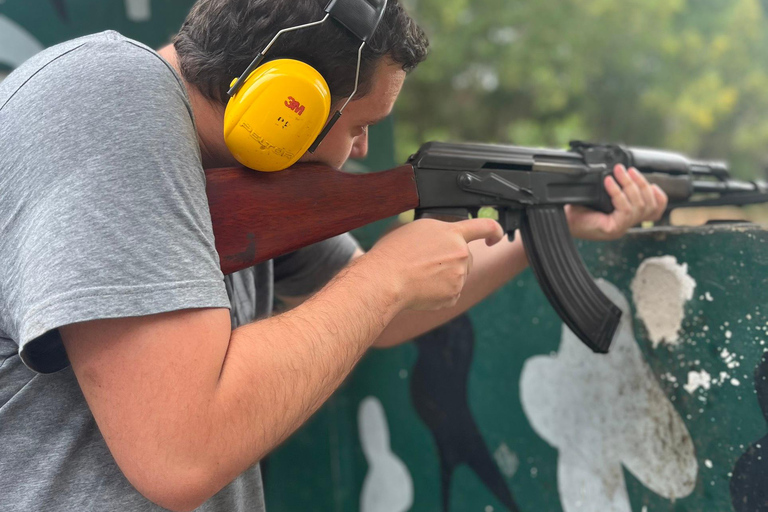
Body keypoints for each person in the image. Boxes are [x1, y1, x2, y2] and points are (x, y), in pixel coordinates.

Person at [0, 0, 667, 510]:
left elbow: (375, 313)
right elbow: (180, 452)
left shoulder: (233, 168)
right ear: (286, 104)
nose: (361, 152)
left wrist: (541, 235)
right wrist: (382, 278)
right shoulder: (105, 96)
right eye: (358, 126)